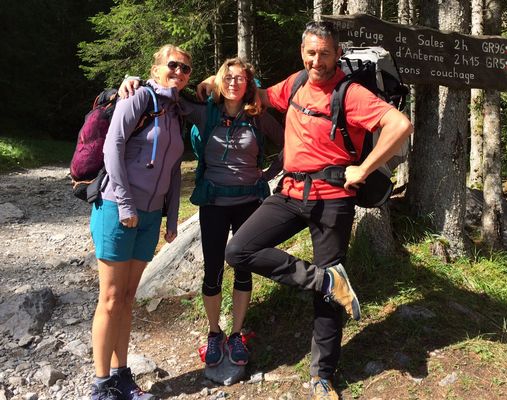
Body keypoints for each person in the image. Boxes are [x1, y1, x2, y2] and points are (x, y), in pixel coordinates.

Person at [200, 21, 413, 399]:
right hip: (289, 192)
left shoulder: (350, 94)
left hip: (333, 200)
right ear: (303, 53)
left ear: (337, 54)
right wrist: (215, 85)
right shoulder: (296, 82)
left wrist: (363, 169)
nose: (318, 60)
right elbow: (261, 97)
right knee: (239, 251)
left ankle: (322, 376)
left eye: (325, 53)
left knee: (327, 301)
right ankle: (326, 279)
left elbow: (400, 125)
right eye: (312, 52)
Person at [119, 58, 284, 368]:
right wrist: (132, 80)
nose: (234, 82)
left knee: (244, 267)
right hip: (213, 204)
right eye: (228, 77)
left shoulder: (257, 116)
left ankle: (236, 334)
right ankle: (213, 332)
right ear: (220, 82)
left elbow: (290, 142)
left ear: (250, 85)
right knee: (213, 271)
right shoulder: (202, 112)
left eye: (240, 78)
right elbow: (166, 92)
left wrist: (269, 173)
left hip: (249, 201)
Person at [90, 44, 190, 400]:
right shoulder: (138, 97)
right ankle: (101, 385)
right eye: (173, 65)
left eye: (186, 69)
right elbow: (112, 146)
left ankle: (121, 377)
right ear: (157, 67)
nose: (179, 72)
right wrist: (126, 203)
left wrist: (172, 218)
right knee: (111, 296)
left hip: (149, 215)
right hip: (118, 207)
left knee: (129, 297)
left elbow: (175, 169)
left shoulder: (175, 110)